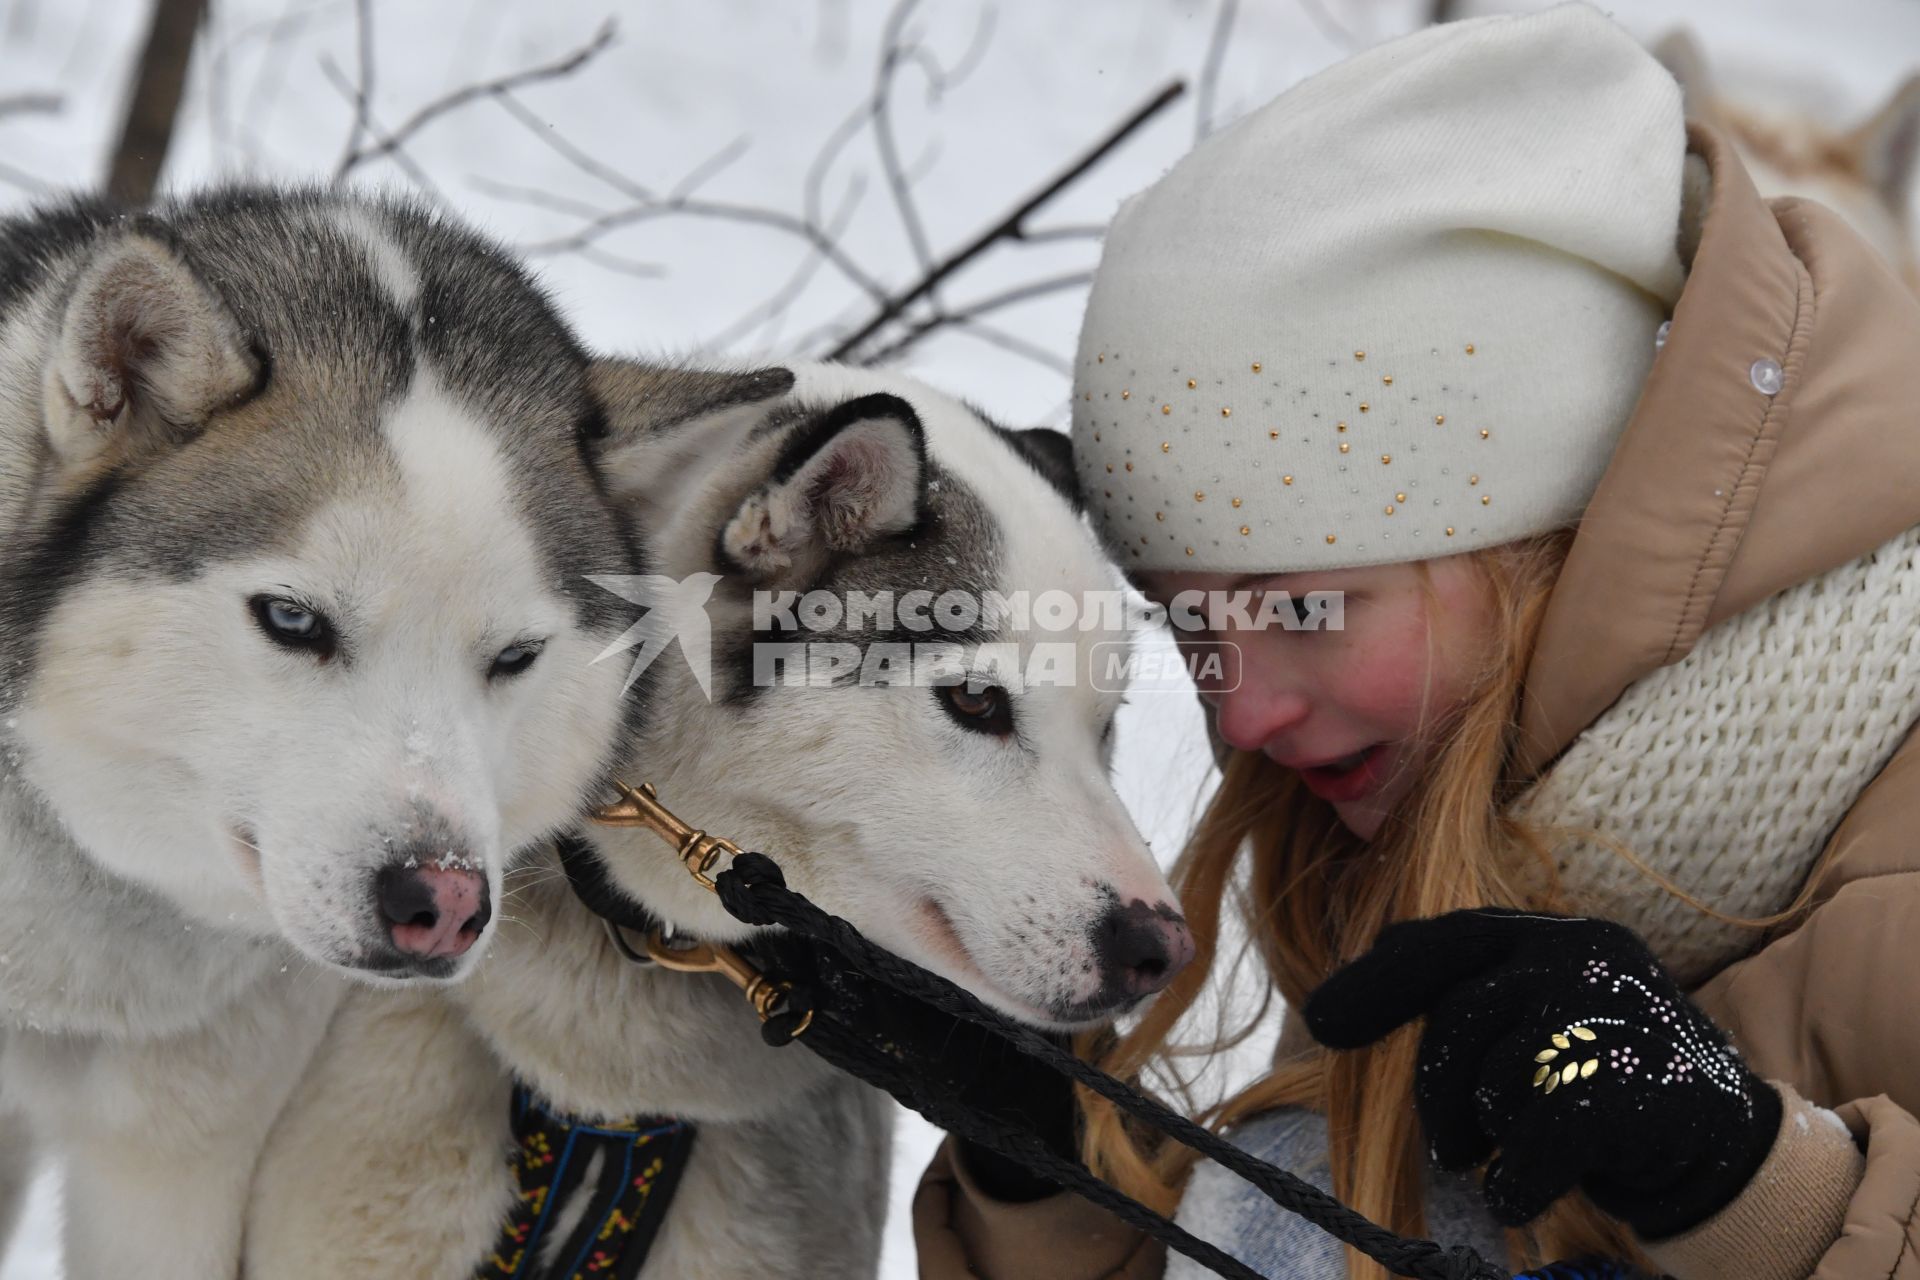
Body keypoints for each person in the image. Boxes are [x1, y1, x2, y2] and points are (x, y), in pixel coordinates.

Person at [912, 5, 1920, 1278]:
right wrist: (1050, 1171)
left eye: (1300, 605)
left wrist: (1751, 1185)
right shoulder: (1424, 813)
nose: (1241, 716)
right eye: (1189, 620)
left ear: (1541, 531)